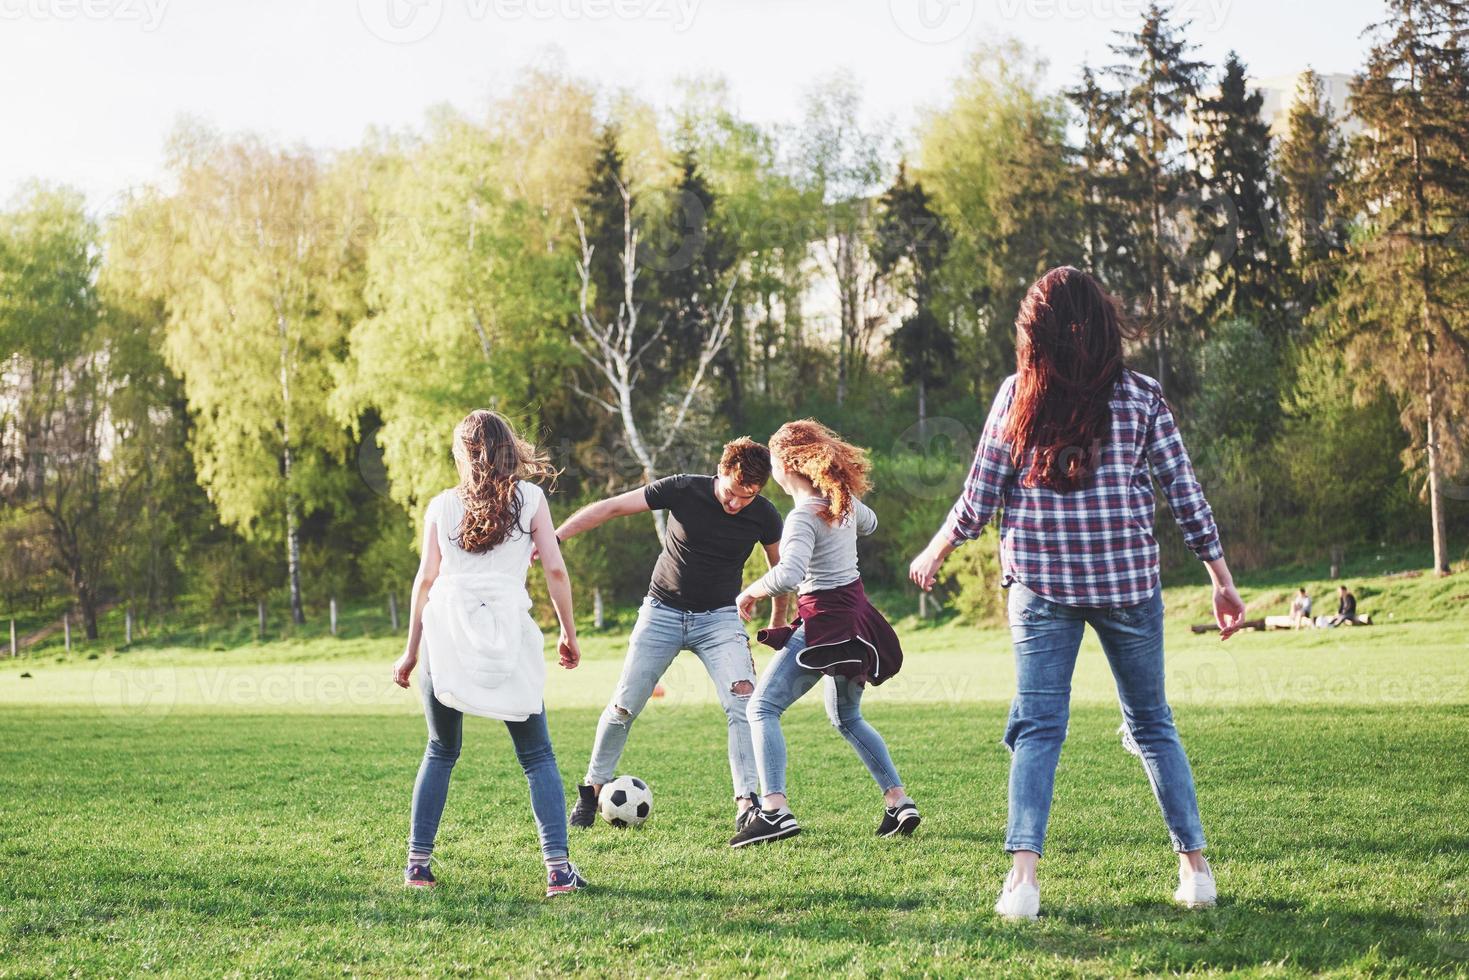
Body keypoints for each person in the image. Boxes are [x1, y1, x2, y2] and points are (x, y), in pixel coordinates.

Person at [908, 266, 1247, 921]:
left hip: (1041, 585)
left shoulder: (1017, 395)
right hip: (1127, 584)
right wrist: (1220, 579)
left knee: (1038, 730)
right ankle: (1195, 872)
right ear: (1101, 325)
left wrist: (937, 548)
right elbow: (1184, 492)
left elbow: (980, 497)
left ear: (1033, 331)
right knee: (1152, 726)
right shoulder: (1141, 395)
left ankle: (1023, 884)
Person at [391, 409, 588, 898]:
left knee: (440, 750)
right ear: (508, 448)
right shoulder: (532, 498)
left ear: (463, 454)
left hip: (446, 636)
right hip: (507, 639)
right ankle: (558, 871)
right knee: (537, 756)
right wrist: (569, 632)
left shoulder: (440, 505)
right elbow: (556, 572)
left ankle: (418, 866)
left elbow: (426, 580)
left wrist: (410, 650)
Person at [555, 438, 788, 833]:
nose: (736, 505)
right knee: (624, 706)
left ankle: (747, 803)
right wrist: (555, 539)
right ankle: (591, 790)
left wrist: (779, 620)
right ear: (721, 471)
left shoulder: (765, 515)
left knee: (743, 707)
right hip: (661, 612)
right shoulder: (682, 489)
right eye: (732, 493)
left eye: (747, 497)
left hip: (720, 621)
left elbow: (780, 572)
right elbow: (612, 508)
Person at [729, 420, 914, 849]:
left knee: (761, 709)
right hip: (856, 622)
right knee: (848, 717)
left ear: (786, 465)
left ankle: (774, 811)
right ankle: (899, 802)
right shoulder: (842, 502)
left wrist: (750, 591)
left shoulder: (801, 516)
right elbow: (870, 522)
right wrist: (843, 505)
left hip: (826, 626)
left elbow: (791, 573)